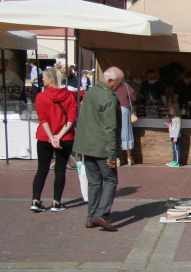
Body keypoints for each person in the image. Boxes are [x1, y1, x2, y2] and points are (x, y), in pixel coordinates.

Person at [73, 67, 124, 231]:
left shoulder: (91, 92)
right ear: (110, 81)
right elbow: (110, 128)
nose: (120, 86)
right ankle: (101, 214)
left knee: (94, 182)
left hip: (87, 146)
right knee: (110, 180)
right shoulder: (109, 98)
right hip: (102, 146)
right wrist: (112, 154)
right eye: (118, 83)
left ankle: (91, 217)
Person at [30, 67, 77, 212]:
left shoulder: (41, 97)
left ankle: (36, 200)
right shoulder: (69, 96)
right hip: (65, 136)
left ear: (50, 79)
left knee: (42, 169)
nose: (42, 80)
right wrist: (59, 136)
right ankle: (56, 201)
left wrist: (51, 137)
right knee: (60, 169)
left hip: (45, 137)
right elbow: (71, 119)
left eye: (44, 77)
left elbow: (43, 119)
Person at [114, 78, 135, 166]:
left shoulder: (112, 86)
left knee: (116, 132)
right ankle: (129, 157)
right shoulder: (126, 85)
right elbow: (134, 98)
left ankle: (118, 159)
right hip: (125, 110)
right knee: (126, 132)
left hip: (114, 109)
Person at [165, 102, 182, 167]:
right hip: (172, 135)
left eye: (170, 110)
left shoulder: (177, 119)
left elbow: (178, 128)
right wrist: (166, 122)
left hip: (175, 136)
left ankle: (177, 161)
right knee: (174, 148)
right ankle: (174, 160)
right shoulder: (172, 118)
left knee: (176, 148)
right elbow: (170, 126)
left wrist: (176, 137)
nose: (169, 112)